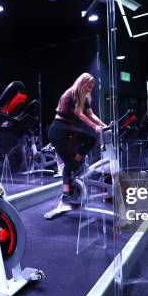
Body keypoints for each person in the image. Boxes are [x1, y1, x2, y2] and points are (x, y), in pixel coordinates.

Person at [48, 73, 105, 205]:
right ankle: (66, 194)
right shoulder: (71, 94)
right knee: (70, 164)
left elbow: (91, 114)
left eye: (92, 87)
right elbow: (80, 115)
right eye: (88, 85)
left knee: (90, 141)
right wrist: (94, 127)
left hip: (68, 130)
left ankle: (75, 165)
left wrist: (103, 125)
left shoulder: (84, 98)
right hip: (58, 129)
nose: (90, 89)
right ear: (82, 82)